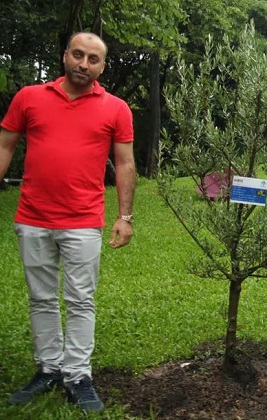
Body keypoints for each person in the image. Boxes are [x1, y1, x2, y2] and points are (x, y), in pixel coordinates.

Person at [0, 32, 136, 412]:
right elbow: (5, 144)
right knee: (41, 298)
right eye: (78, 55)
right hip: (32, 216)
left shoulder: (116, 108)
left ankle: (77, 375)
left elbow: (125, 163)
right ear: (65, 56)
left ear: (102, 66)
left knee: (80, 299)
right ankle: (48, 368)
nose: (84, 64)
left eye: (93, 59)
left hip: (83, 220)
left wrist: (125, 217)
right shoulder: (29, 98)